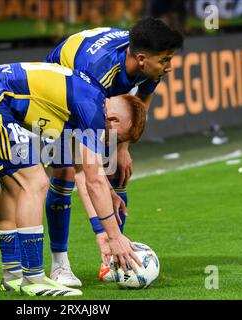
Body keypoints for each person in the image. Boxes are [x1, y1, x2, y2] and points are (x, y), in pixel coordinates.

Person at [0, 62, 147, 296]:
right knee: (35, 182)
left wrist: (111, 192)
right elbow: (93, 180)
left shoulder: (92, 98)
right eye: (115, 139)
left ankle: (12, 274)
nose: (109, 144)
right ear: (114, 120)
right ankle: (34, 278)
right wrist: (115, 237)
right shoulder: (94, 111)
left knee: (12, 185)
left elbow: (84, 166)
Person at [44, 17, 184, 286]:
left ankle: (110, 262)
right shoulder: (97, 74)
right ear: (142, 59)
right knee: (65, 173)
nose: (169, 67)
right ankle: (60, 265)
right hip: (61, 87)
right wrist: (104, 234)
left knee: (117, 169)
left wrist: (123, 147)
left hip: (94, 86)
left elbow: (139, 104)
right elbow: (88, 174)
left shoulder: (148, 65)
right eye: (165, 60)